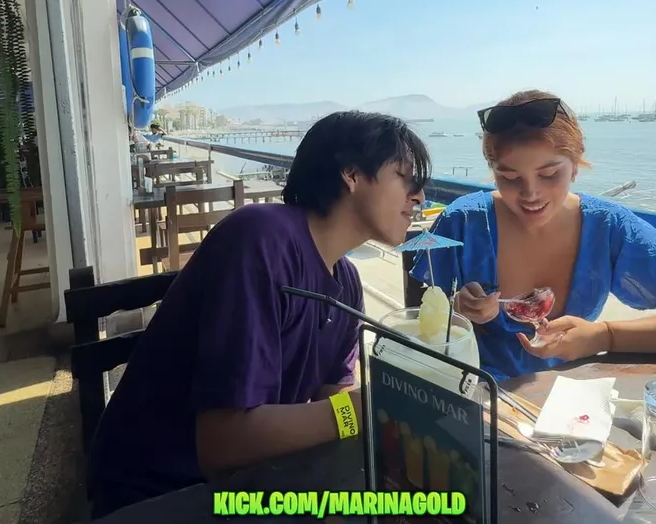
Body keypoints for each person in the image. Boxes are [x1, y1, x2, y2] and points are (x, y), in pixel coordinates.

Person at [87, 111, 430, 515]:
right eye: (405, 177)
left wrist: (370, 413)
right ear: (352, 174)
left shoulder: (348, 283)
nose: (420, 197)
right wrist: (369, 408)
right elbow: (223, 444)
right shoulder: (260, 239)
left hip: (251, 482)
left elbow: (332, 397)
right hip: (156, 493)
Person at [412, 90, 656, 381]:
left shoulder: (608, 227)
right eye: (510, 177)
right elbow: (420, 323)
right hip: (476, 393)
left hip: (569, 401)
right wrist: (458, 311)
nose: (530, 193)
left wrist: (604, 335)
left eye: (549, 174)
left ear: (575, 165)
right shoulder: (465, 221)